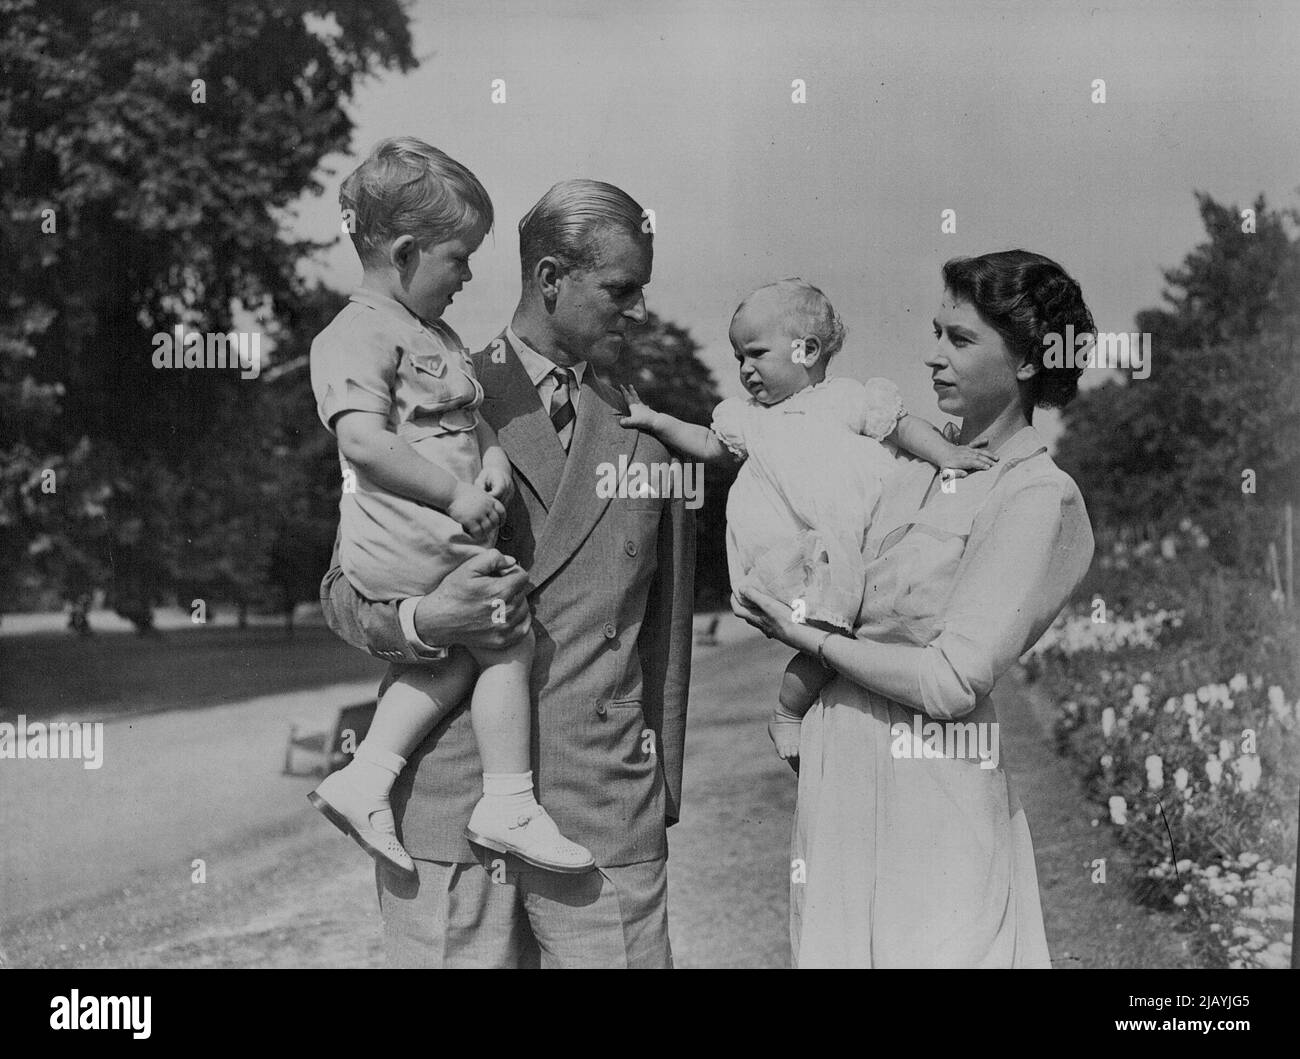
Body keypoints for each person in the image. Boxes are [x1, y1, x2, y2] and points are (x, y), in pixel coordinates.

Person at [320, 178, 695, 968]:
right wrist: (428, 620)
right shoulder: (427, 389)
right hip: (447, 811)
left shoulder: (650, 439)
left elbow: (666, 637)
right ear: (550, 278)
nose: (638, 311)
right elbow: (345, 593)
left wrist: (654, 793)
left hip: (603, 813)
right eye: (620, 289)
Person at [733, 250, 1097, 967]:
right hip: (839, 772)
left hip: (934, 788)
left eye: (959, 339)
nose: (933, 357)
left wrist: (810, 639)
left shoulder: (1034, 493)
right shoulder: (905, 464)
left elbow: (951, 681)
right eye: (935, 333)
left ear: (1029, 361)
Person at [307, 137, 593, 876]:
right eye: (458, 258)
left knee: (467, 652)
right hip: (405, 536)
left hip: (434, 536)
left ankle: (365, 777)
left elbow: (472, 418)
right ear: (405, 253)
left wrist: (491, 458)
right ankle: (508, 802)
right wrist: (458, 494)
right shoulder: (355, 334)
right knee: (506, 635)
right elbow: (363, 442)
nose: (468, 276)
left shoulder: (434, 335)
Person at [621, 277, 995, 764]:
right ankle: (788, 712)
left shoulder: (848, 399)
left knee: (862, 633)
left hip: (856, 544)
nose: (745, 369)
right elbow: (709, 445)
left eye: (757, 353)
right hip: (793, 553)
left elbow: (902, 427)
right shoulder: (749, 417)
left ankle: (841, 712)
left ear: (807, 350)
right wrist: (656, 421)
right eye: (738, 358)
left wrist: (946, 454)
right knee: (827, 637)